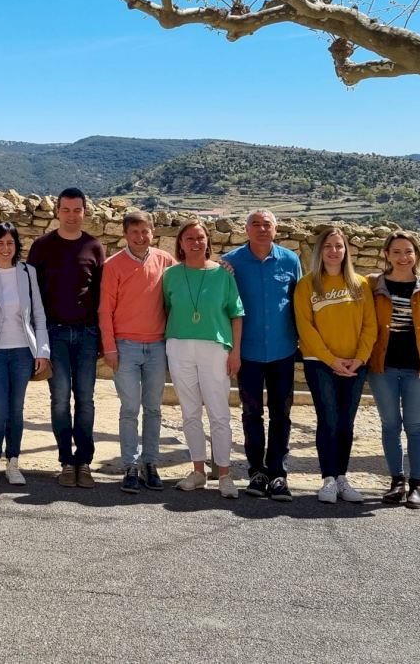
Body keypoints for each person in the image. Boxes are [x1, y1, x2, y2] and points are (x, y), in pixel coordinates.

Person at [221, 210, 303, 502]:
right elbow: (223, 304)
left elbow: (298, 301)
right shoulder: (230, 262)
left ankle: (278, 473)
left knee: (281, 414)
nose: (261, 229)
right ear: (246, 229)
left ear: (275, 229)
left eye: (267, 224)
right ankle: (257, 471)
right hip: (248, 352)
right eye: (255, 224)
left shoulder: (290, 260)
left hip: (283, 350)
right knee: (251, 413)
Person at [27, 188, 106, 489]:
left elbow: (101, 295)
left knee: (85, 399)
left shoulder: (94, 247)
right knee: (60, 399)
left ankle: (83, 461)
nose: (72, 215)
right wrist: (35, 338)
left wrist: (102, 338)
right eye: (66, 210)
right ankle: (65, 462)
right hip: (54, 334)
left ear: (85, 212)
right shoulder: (42, 247)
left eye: (77, 210)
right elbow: (31, 294)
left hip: (87, 334)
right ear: (57, 211)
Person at [294, 226, 377, 504]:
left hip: (355, 364)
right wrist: (331, 360)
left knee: (346, 422)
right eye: (328, 246)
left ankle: (342, 477)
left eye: (339, 246)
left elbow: (370, 325)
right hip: (320, 363)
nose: (333, 251)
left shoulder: (360, 284)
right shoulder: (307, 285)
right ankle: (328, 479)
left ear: (346, 250)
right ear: (319, 251)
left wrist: (359, 359)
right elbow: (305, 328)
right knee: (328, 419)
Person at [163, 218, 244, 499]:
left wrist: (235, 352)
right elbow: (167, 308)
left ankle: (224, 474)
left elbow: (236, 314)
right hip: (179, 346)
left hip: (215, 348)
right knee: (190, 412)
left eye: (200, 237)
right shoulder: (171, 275)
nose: (195, 243)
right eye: (189, 238)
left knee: (219, 412)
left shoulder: (223, 274)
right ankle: (198, 471)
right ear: (181, 243)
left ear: (208, 241)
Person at [367, 230, 420, 509]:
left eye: (408, 251)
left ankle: (417, 485)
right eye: (397, 252)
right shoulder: (373, 285)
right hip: (382, 368)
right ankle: (396, 482)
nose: (403, 257)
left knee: (415, 426)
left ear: (417, 255)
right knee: (390, 425)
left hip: (418, 370)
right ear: (387, 255)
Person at [98, 209, 175, 493]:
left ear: (153, 232)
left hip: (157, 347)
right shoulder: (113, 265)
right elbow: (105, 310)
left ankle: (150, 463)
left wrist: (221, 266)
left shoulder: (166, 261)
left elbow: (188, 282)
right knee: (129, 408)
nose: (140, 237)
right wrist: (109, 348)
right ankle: (130, 465)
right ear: (125, 234)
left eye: (145, 231)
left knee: (153, 408)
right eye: (134, 232)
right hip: (125, 348)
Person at [0, 222, 50, 485]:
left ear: (17, 245)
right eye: (0, 243)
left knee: (16, 410)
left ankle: (13, 463)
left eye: (10, 243)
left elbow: (39, 315)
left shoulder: (27, 272)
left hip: (23, 353)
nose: (6, 248)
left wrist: (42, 351)